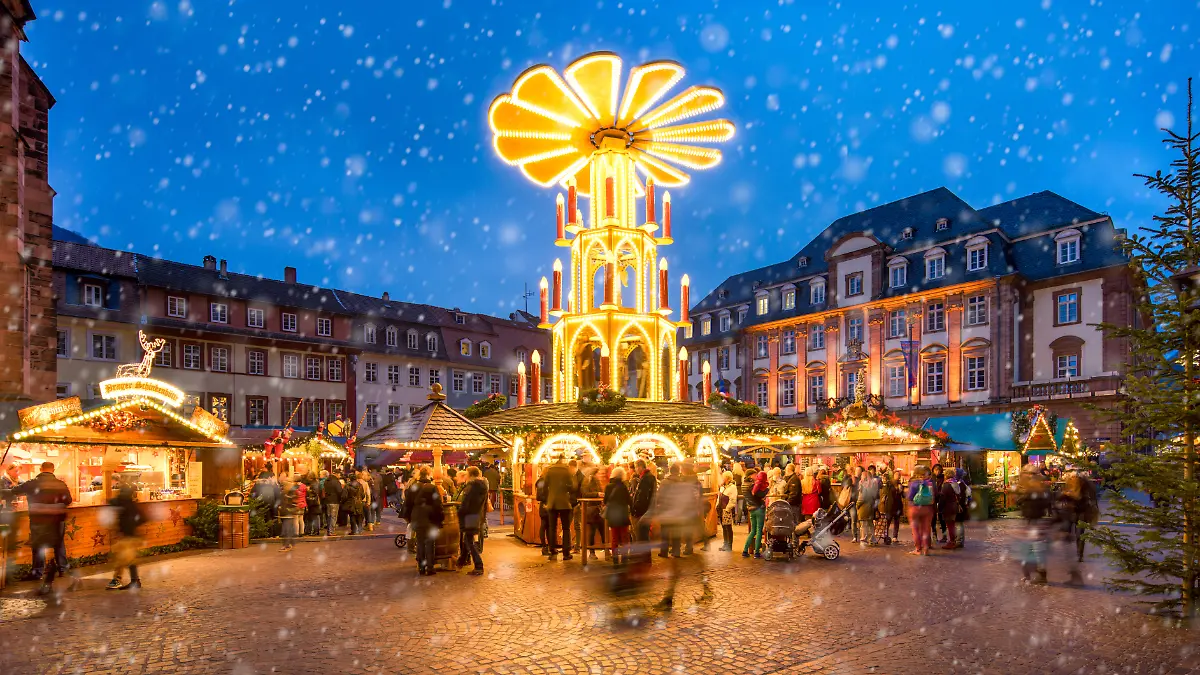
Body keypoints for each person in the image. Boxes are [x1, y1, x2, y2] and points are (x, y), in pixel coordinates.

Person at [14, 462, 72, 594]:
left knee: (39, 546)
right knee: (59, 544)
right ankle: (63, 569)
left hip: (39, 519)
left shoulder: (32, 483)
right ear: (53, 469)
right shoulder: (60, 483)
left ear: (41, 469)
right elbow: (68, 500)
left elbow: (15, 491)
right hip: (57, 519)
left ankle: (37, 572)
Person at [1015, 464, 1053, 583]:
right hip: (1031, 520)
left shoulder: (1036, 489)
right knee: (1032, 548)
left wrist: (1027, 494)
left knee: (1034, 548)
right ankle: (1033, 574)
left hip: (1035, 520)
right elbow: (1018, 501)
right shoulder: (1032, 488)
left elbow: (1045, 502)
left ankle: (1037, 574)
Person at [405, 468, 444, 576]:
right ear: (428, 474)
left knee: (420, 542)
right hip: (430, 517)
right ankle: (430, 567)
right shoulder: (432, 487)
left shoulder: (413, 487)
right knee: (430, 542)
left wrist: (409, 518)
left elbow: (408, 504)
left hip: (417, 516)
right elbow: (437, 504)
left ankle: (421, 567)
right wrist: (440, 518)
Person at [106, 476, 143, 590]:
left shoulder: (123, 503)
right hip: (130, 535)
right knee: (125, 558)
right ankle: (132, 580)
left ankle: (130, 581)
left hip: (127, 536)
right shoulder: (131, 504)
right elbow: (142, 518)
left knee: (125, 558)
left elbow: (112, 502)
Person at [456, 466, 488, 576]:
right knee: (467, 540)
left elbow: (466, 503)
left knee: (469, 541)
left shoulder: (471, 487)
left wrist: (460, 513)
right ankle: (461, 561)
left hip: (469, 516)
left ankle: (479, 566)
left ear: (470, 475)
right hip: (477, 515)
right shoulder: (483, 486)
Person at [542, 457, 575, 561]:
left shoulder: (550, 471)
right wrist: (565, 489)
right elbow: (572, 486)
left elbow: (544, 487)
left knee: (552, 528)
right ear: (563, 461)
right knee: (566, 528)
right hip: (564, 502)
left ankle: (553, 552)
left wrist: (548, 499)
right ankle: (566, 553)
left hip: (552, 503)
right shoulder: (566, 471)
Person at [604, 466, 632, 565]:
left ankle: (615, 561)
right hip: (623, 514)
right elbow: (629, 501)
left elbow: (605, 501)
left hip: (613, 515)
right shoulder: (624, 486)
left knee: (614, 538)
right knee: (624, 538)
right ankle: (624, 559)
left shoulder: (608, 486)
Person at [630, 459, 657, 563]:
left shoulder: (646, 478)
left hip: (643, 511)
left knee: (642, 534)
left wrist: (635, 508)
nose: (636, 470)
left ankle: (644, 557)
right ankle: (645, 557)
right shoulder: (649, 477)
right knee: (643, 534)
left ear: (640, 467)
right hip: (647, 510)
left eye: (636, 467)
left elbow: (642, 496)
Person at [906, 466, 936, 556]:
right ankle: (926, 548)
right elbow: (936, 494)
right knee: (926, 529)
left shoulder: (914, 483)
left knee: (915, 529)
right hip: (928, 508)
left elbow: (910, 497)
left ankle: (918, 549)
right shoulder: (930, 483)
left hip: (915, 508)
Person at [742, 469, 769, 558]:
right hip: (758, 509)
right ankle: (757, 552)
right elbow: (760, 494)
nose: (756, 476)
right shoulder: (752, 485)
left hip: (751, 509)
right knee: (758, 531)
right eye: (755, 475)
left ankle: (745, 550)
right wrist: (767, 489)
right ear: (750, 476)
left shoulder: (743, 485)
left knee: (752, 531)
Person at [857, 466, 880, 546]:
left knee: (863, 525)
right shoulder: (873, 484)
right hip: (871, 507)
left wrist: (857, 505)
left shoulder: (863, 485)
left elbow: (861, 497)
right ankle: (872, 540)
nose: (861, 477)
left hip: (864, 507)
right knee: (870, 524)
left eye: (862, 476)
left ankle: (863, 540)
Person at [937, 470, 959, 549]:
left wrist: (939, 508)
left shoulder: (946, 485)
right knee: (952, 524)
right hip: (954, 506)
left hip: (948, 507)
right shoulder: (955, 483)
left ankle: (952, 542)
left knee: (950, 525)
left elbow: (943, 498)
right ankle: (953, 541)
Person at [278, 479, 300, 552]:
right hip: (285, 514)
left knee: (286, 530)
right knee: (288, 530)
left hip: (288, 514)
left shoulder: (291, 493)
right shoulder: (284, 493)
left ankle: (287, 545)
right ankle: (290, 544)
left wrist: (287, 509)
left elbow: (294, 503)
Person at [718, 470, 737, 552]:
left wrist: (728, 509)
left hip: (726, 510)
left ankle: (729, 545)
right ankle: (725, 544)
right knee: (724, 527)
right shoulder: (723, 487)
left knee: (728, 527)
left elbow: (733, 499)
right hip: (721, 509)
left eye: (723, 477)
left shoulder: (732, 487)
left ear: (727, 478)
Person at [931, 463, 948, 544]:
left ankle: (944, 535)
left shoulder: (943, 478)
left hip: (942, 500)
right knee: (933, 518)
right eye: (935, 470)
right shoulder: (931, 479)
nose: (937, 472)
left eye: (938, 470)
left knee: (942, 518)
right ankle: (934, 535)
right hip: (933, 500)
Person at [322, 470, 342, 536]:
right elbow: (339, 491)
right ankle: (331, 531)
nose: (340, 476)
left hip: (327, 501)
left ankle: (329, 530)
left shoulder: (326, 481)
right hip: (335, 501)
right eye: (339, 474)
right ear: (336, 474)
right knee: (333, 516)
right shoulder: (336, 482)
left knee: (329, 516)